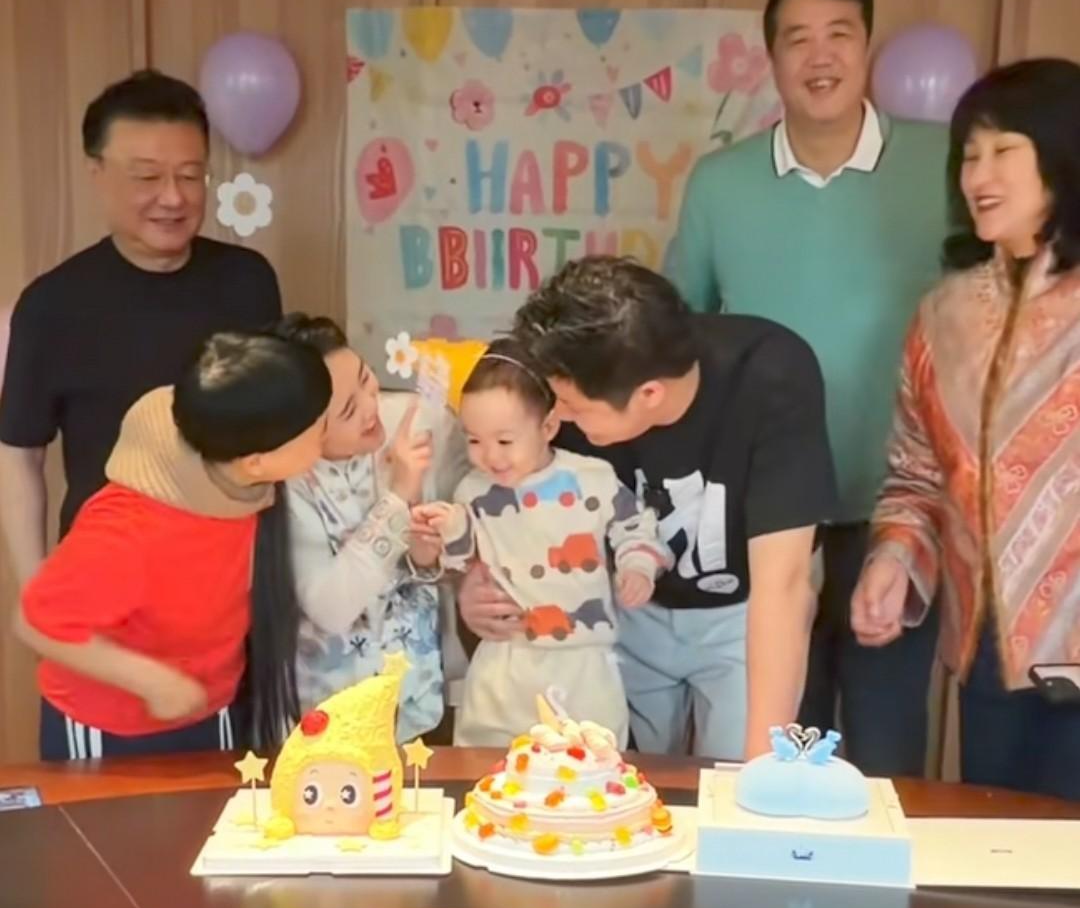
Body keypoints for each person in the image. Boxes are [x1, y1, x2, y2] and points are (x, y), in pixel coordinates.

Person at [669, 0, 948, 776]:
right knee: (784, 748)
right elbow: (678, 336)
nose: (819, 56)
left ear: (868, 48)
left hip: (900, 512)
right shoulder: (721, 184)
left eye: (839, 35)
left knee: (888, 750)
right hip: (765, 519)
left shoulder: (943, 166)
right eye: (797, 39)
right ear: (772, 58)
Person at [465, 259, 837, 759]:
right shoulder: (572, 371)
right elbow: (496, 487)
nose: (557, 417)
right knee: (617, 774)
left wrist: (762, 768)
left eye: (574, 407)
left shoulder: (769, 373)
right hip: (618, 613)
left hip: (742, 615)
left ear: (649, 395)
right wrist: (474, 582)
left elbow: (785, 585)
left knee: (739, 765)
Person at [852, 59, 1080, 798]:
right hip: (987, 656)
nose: (978, 175)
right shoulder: (944, 316)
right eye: (969, 155)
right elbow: (916, 473)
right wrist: (894, 560)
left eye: (1003, 150)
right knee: (999, 853)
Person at [0, 70, 281, 589]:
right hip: (107, 580)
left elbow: (281, 423)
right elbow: (19, 454)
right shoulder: (50, 306)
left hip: (235, 574)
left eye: (190, 175)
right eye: (147, 178)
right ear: (97, 173)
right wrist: (34, 589)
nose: (172, 198)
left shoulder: (250, 281)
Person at [17, 333, 330, 760]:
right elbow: (35, 622)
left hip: (210, 706)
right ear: (257, 461)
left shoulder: (235, 465)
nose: (325, 435)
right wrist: (153, 681)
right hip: (112, 728)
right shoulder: (127, 530)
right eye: (318, 428)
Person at [414, 341, 668, 747]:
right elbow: (460, 562)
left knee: (592, 763)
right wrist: (447, 530)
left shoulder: (593, 478)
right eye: (474, 440)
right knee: (489, 766)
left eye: (504, 441)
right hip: (504, 663)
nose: (489, 456)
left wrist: (638, 566)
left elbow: (636, 527)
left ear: (548, 427)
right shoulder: (472, 491)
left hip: (584, 662)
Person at [272, 313, 459, 740]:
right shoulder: (288, 481)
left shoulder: (412, 423)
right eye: (348, 410)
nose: (371, 407)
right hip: (331, 716)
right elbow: (332, 607)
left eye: (365, 378)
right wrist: (399, 494)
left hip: (418, 701)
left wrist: (428, 558)